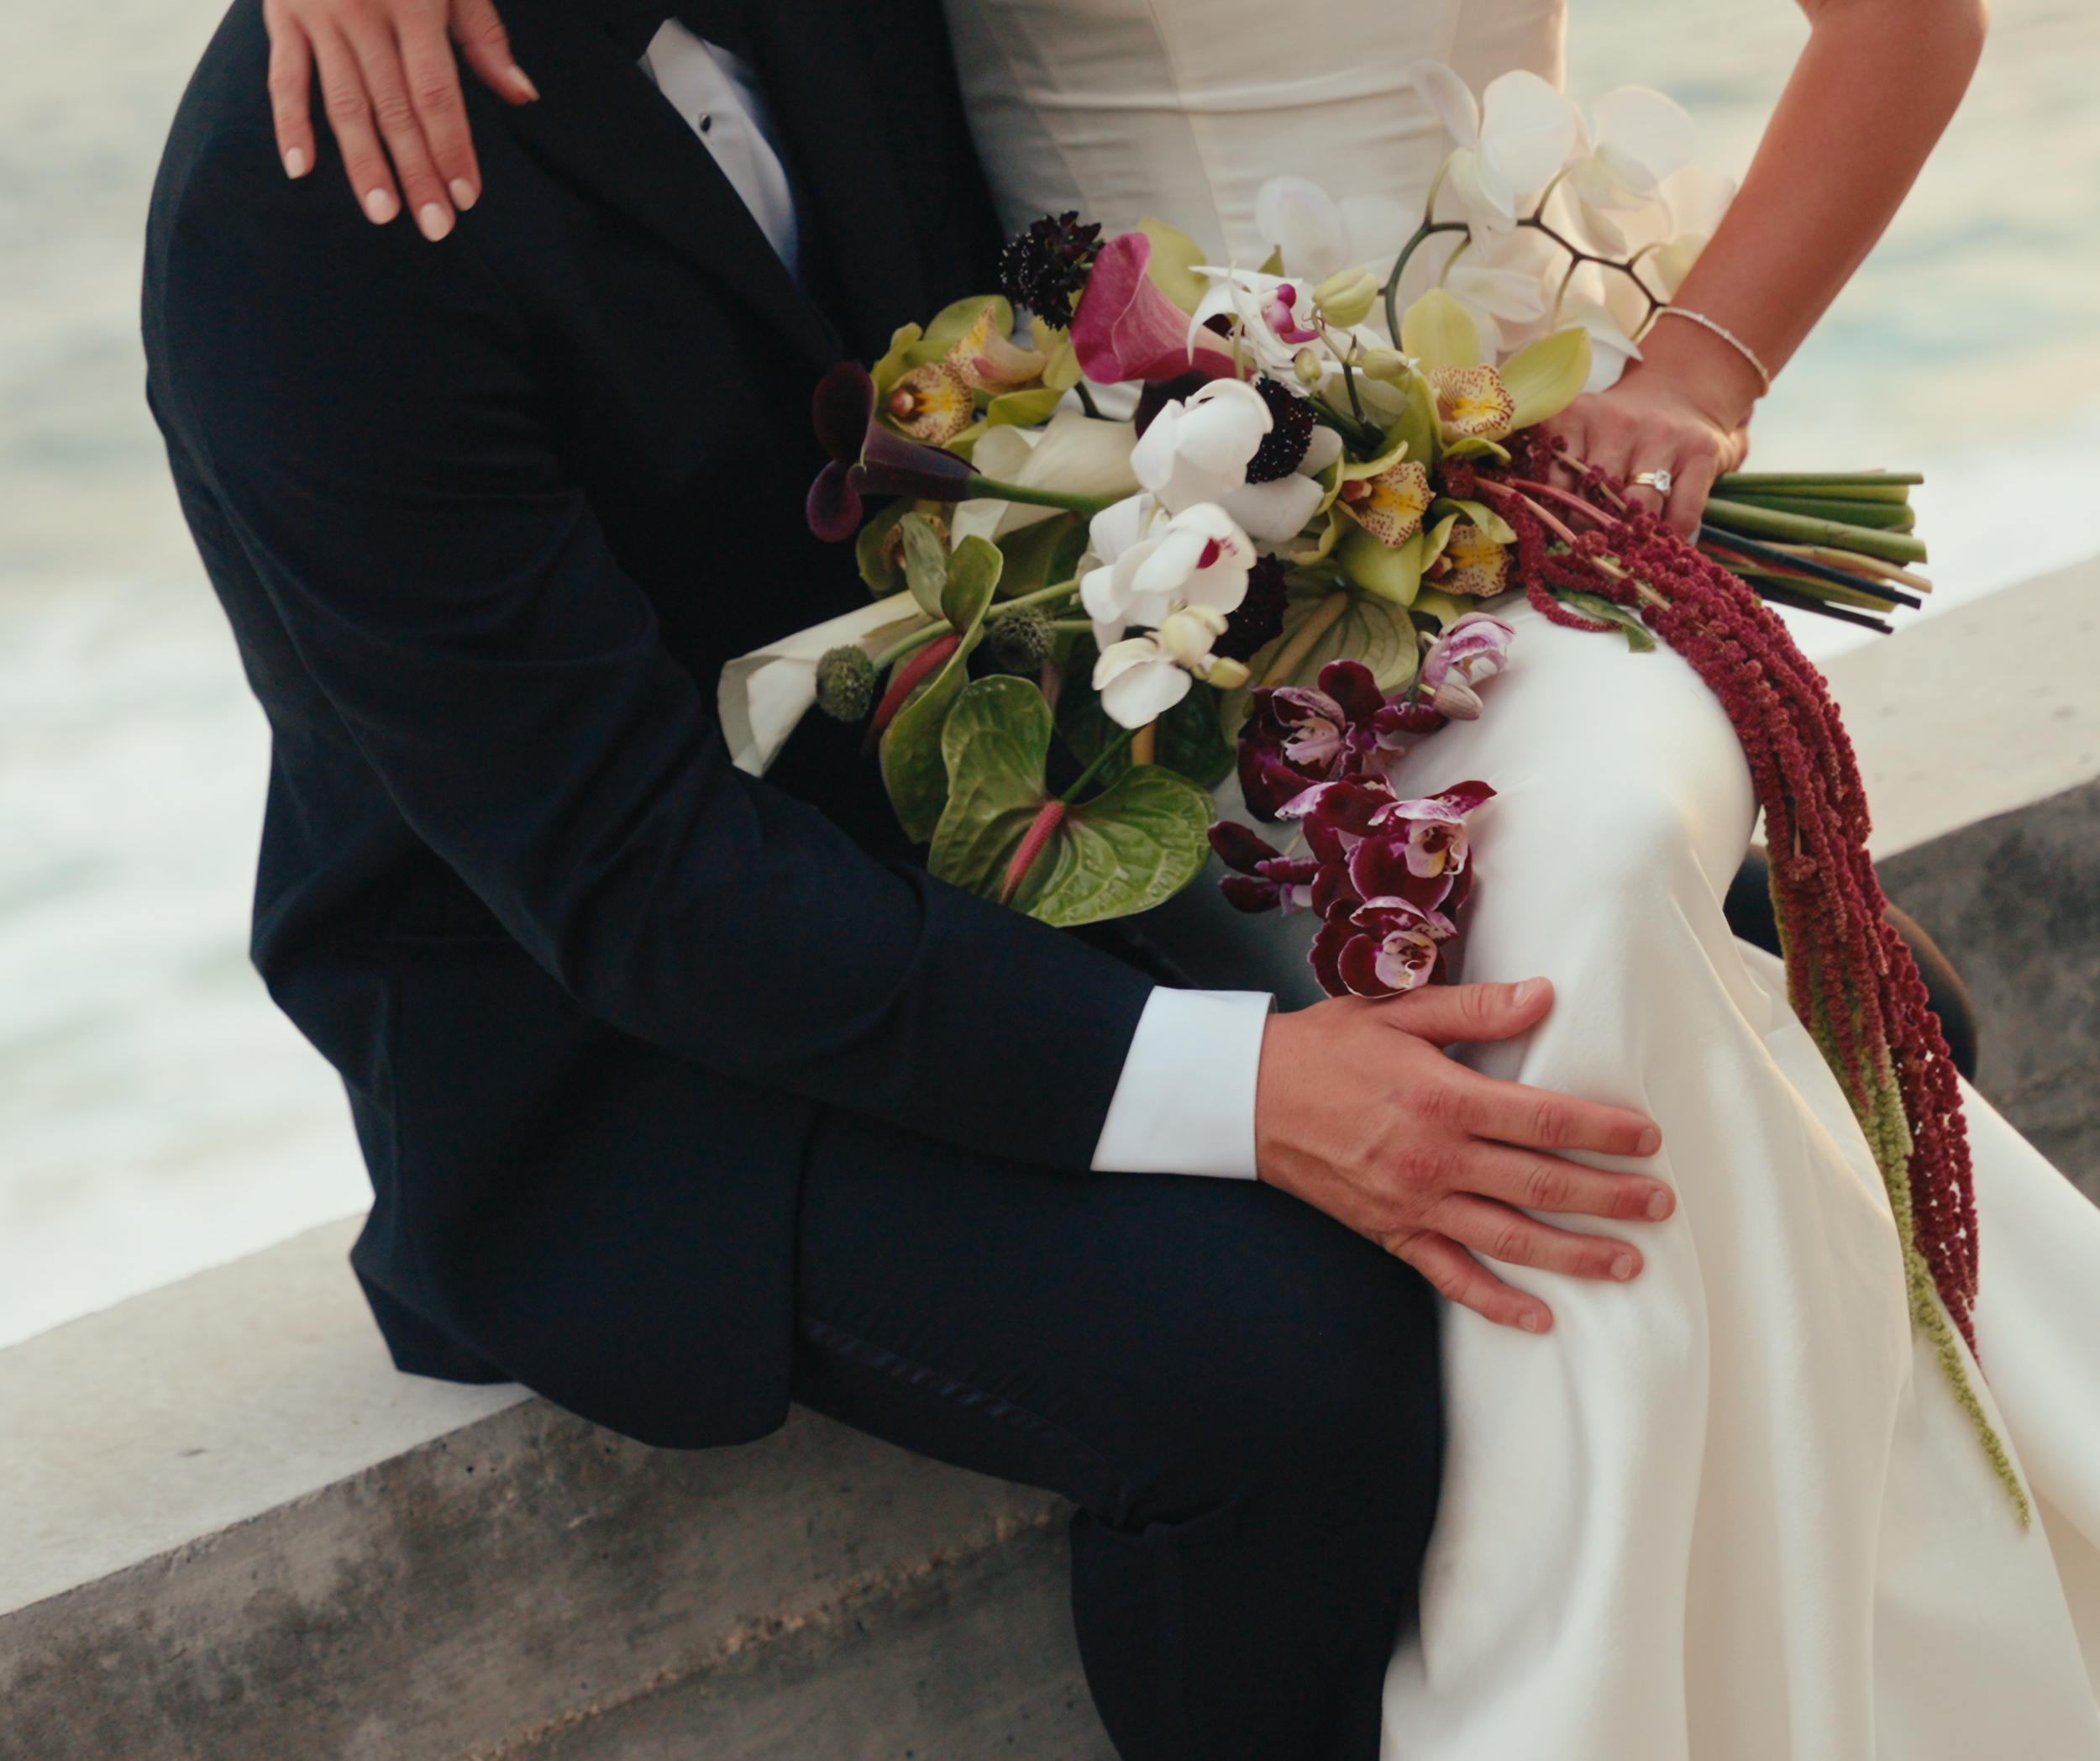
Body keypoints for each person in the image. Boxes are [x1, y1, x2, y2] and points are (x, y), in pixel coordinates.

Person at [150, 3, 2100, 1759]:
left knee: (1872, 1016)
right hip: (624, 1052)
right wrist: (1247, 1089)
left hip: (1021, 815)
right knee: (1285, 1375)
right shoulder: (304, 200)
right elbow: (632, 885)